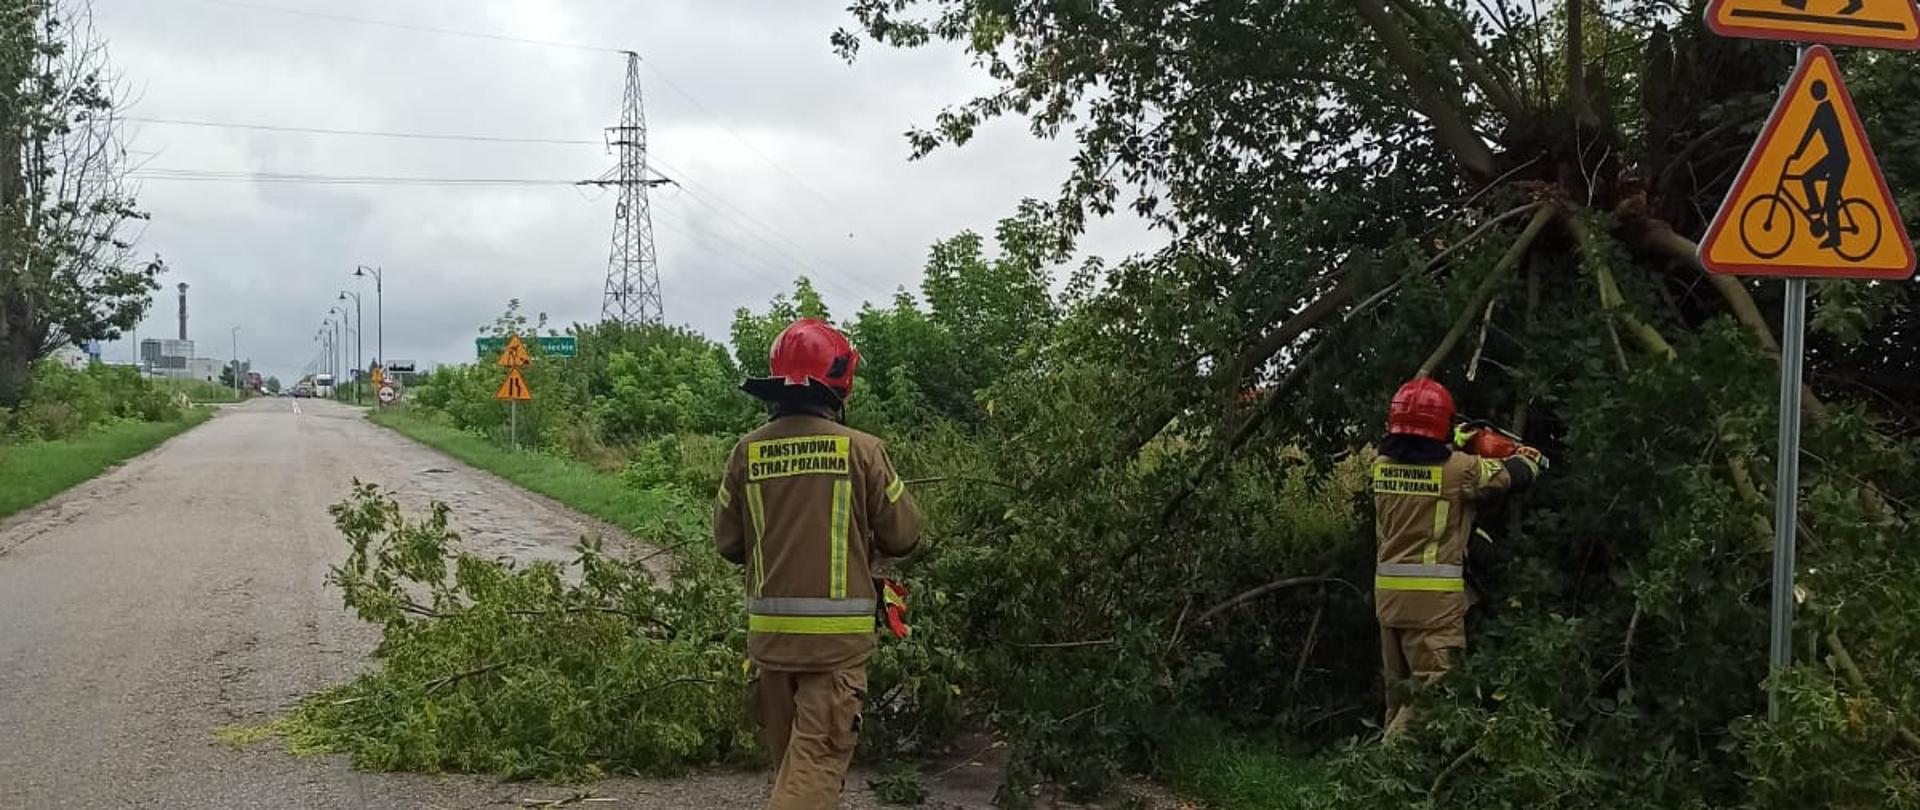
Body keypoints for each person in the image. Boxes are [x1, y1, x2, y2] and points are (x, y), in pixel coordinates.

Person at [714, 318, 921, 810]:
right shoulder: (863, 451)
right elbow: (905, 534)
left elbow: (727, 542)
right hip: (836, 649)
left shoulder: (746, 453)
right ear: (840, 381)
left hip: (771, 644)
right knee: (814, 773)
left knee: (796, 772)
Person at [1372, 378, 1542, 737]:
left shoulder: (1381, 465)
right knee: (1434, 690)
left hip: (1389, 599)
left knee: (1399, 697)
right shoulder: (1458, 471)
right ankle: (1382, 766)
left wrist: (1459, 441)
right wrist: (1532, 457)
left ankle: (1384, 784)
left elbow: (1423, 456)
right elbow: (1513, 474)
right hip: (1433, 605)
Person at [1788, 79, 1851, 249]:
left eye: (1814, 91)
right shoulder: (1824, 108)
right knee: (1807, 177)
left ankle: (1835, 237)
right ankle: (1815, 207)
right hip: (1833, 157)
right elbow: (1810, 132)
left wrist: (1798, 154)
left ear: (1818, 93)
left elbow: (1810, 133)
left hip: (1839, 159)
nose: (1813, 94)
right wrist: (1798, 155)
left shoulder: (1824, 110)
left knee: (1830, 201)